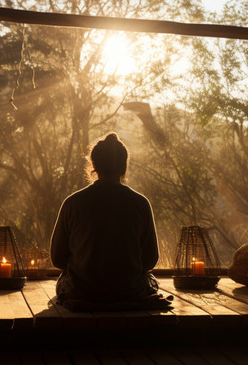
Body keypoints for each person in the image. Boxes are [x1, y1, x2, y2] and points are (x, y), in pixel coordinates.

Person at [50, 132, 171, 310]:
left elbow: (58, 259)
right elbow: (150, 259)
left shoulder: (73, 203)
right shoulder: (140, 203)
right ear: (124, 166)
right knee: (150, 280)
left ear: (94, 165)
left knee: (63, 281)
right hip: (130, 291)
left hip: (83, 292)